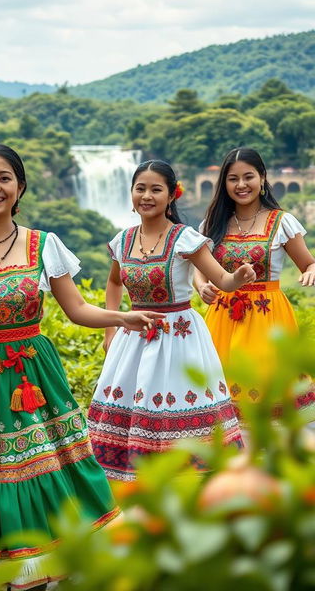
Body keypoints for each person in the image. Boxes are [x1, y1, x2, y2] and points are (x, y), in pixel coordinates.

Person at [0, 143, 164, 591]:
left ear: (20, 187)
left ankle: (37, 570)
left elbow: (77, 309)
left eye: (4, 178)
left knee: (43, 464)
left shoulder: (44, 245)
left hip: (34, 376)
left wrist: (121, 317)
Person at [88, 160, 252, 481]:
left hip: (179, 336)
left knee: (176, 403)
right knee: (134, 403)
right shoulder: (122, 241)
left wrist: (238, 277)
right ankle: (134, 477)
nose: (147, 196)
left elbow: (220, 278)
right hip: (132, 338)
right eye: (140, 188)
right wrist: (111, 328)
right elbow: (114, 283)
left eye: (155, 189)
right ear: (131, 193)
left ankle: (189, 477)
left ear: (170, 195)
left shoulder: (184, 238)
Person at [195, 147, 315, 407]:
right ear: (224, 183)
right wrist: (201, 286)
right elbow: (200, 270)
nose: (241, 185)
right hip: (222, 317)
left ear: (262, 177)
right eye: (233, 179)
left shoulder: (282, 222)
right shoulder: (212, 224)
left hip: (268, 318)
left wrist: (311, 272)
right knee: (220, 402)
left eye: (248, 177)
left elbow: (308, 263)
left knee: (265, 397)